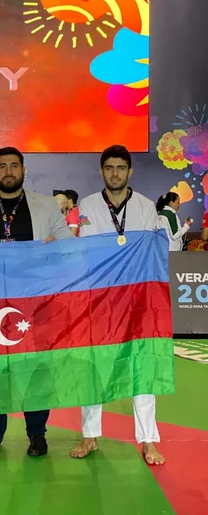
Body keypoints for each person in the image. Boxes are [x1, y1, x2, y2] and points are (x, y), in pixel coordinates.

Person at [0, 146, 73, 457]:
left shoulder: (46, 205)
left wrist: (55, 245)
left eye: (14, 165)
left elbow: (68, 243)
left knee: (35, 368)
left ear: (24, 170)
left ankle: (37, 433)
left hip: (34, 301)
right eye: (2, 166)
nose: (8, 171)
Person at [69, 144, 165, 466]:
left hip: (137, 301)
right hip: (99, 300)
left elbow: (152, 251)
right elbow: (88, 251)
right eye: (109, 168)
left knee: (142, 369)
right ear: (101, 171)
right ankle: (90, 434)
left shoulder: (146, 207)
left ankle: (149, 439)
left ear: (130, 171)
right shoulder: (89, 205)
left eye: (120, 168)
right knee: (94, 367)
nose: (114, 173)